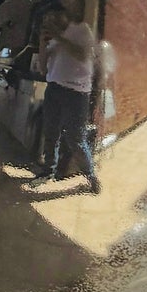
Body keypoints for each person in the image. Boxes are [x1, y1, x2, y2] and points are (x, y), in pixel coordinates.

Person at [40, 13, 99, 188]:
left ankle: (90, 176)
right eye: (47, 21)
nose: (51, 21)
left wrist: (58, 37)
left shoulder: (81, 30)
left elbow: (83, 54)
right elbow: (43, 68)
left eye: (54, 18)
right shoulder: (52, 41)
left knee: (75, 138)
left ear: (64, 17)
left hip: (77, 93)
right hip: (54, 89)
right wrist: (42, 44)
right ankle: (48, 171)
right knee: (51, 132)